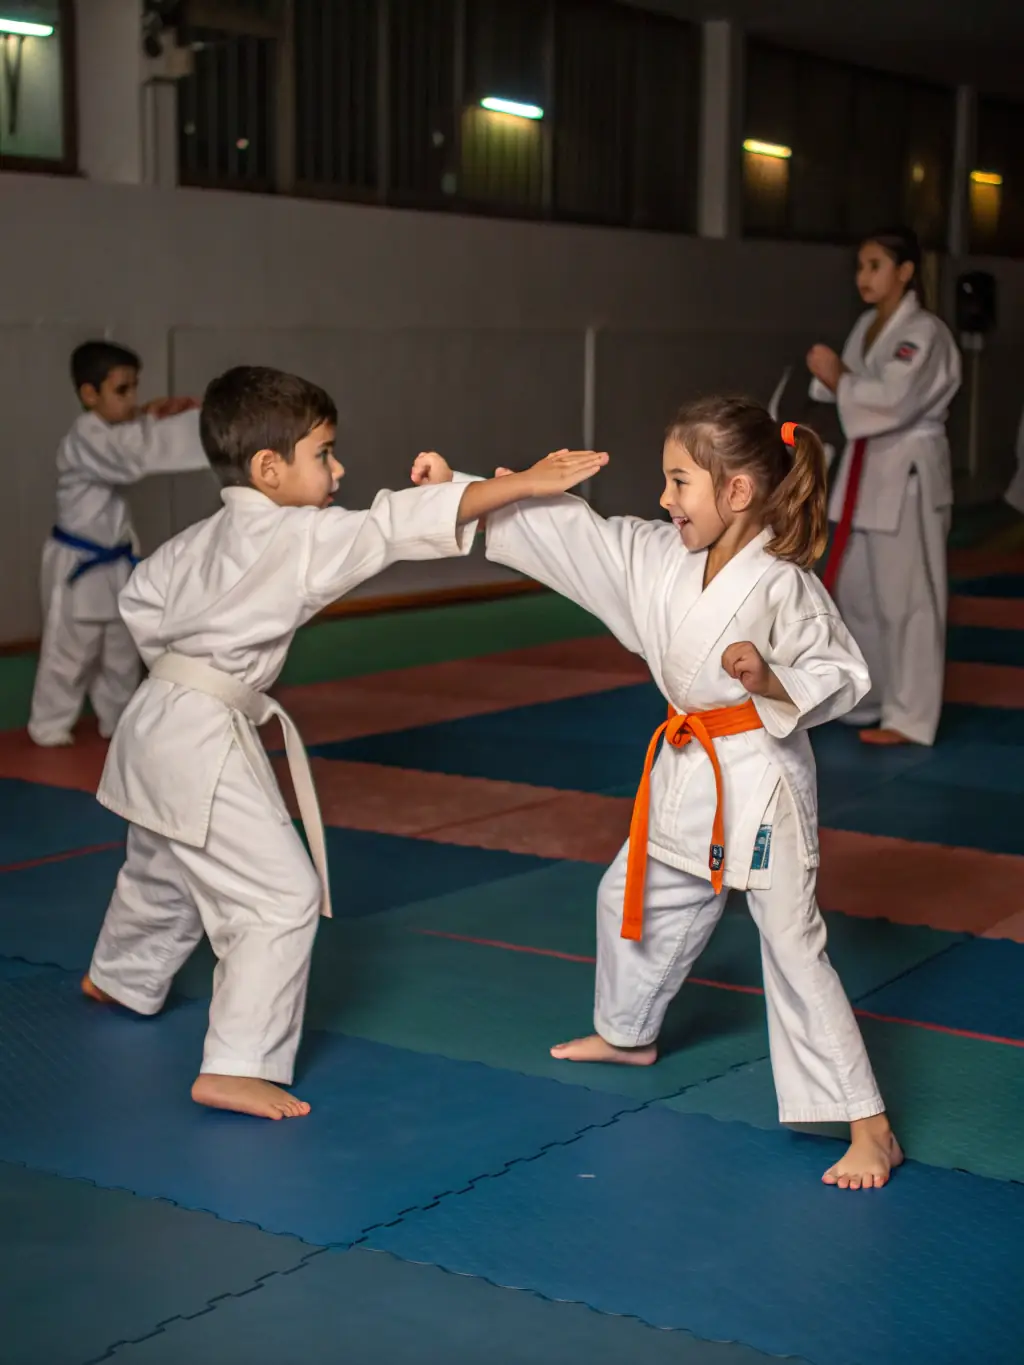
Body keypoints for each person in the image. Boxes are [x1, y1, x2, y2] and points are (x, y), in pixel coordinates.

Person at [82, 365, 608, 1122]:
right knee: (279, 898)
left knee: (166, 858)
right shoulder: (298, 537)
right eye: (324, 453)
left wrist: (192, 659)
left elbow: (140, 602)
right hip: (200, 732)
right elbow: (394, 523)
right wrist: (521, 482)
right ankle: (237, 1064)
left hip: (155, 716)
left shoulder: (200, 538)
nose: (340, 469)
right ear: (269, 469)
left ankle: (120, 975)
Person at [420, 397, 902, 1190]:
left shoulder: (784, 584)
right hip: (689, 764)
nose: (664, 498)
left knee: (792, 948)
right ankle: (628, 1031)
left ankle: (869, 1125)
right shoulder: (659, 555)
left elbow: (843, 672)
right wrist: (465, 491)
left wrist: (768, 675)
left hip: (760, 775)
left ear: (738, 492)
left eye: (679, 482)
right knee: (630, 893)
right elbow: (574, 537)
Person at [806, 227, 961, 747]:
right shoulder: (868, 326)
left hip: (909, 476)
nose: (863, 277)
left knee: (909, 600)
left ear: (905, 271)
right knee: (857, 594)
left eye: (875, 265)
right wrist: (836, 381)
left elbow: (893, 400)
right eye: (860, 267)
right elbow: (846, 397)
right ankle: (867, 697)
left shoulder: (925, 332)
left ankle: (910, 716)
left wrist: (838, 377)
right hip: (868, 473)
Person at [28, 340, 205, 748]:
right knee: (70, 652)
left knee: (120, 650)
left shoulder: (109, 429)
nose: (132, 399)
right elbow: (133, 457)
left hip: (113, 563)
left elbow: (131, 438)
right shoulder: (85, 435)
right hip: (80, 563)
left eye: (134, 389)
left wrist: (152, 413)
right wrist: (195, 426)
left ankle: (119, 718)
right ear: (89, 394)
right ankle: (48, 725)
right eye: (122, 390)